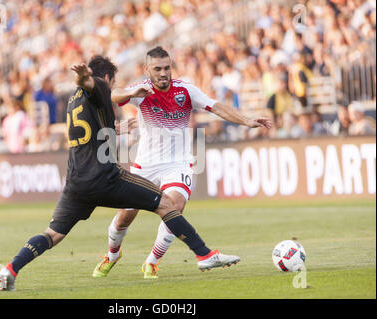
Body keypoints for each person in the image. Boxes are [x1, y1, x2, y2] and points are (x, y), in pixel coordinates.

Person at [0, 55, 242, 291]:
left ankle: (10, 269)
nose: (111, 86)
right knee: (167, 203)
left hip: (76, 184)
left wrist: (116, 128)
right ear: (106, 78)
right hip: (105, 178)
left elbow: (90, 128)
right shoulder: (99, 85)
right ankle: (204, 254)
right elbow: (95, 86)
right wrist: (90, 79)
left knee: (53, 234)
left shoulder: (73, 99)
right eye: (111, 81)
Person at [93, 47, 272, 279]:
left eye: (167, 67)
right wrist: (133, 91)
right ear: (148, 70)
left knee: (174, 206)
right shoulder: (142, 91)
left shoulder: (186, 90)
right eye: (157, 69)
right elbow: (112, 95)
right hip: (145, 165)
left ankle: (152, 261)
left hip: (177, 164)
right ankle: (112, 254)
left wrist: (246, 120)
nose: (163, 73)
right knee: (125, 216)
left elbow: (215, 106)